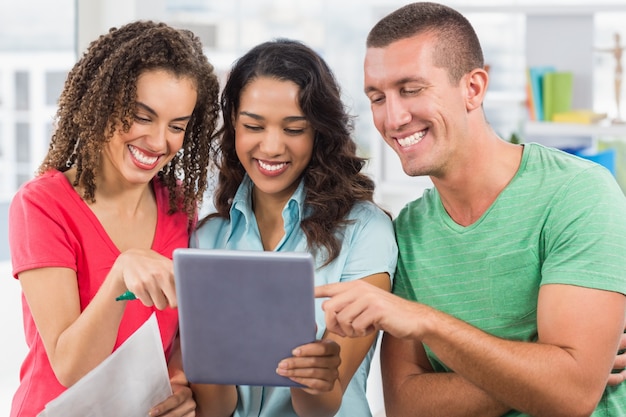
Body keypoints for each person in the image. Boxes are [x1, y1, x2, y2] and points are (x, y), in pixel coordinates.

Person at [315, 2, 626, 417]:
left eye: (411, 89)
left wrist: (426, 322)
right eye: (377, 97)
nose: (393, 117)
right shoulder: (407, 231)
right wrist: (543, 369)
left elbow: (570, 397)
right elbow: (407, 406)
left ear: (474, 88)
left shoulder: (577, 194)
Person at [8, 20, 220, 417]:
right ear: (102, 102)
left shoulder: (179, 206)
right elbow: (70, 366)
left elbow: (174, 336)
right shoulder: (42, 205)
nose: (159, 142)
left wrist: (177, 385)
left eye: (177, 126)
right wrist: (121, 273)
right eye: (142, 117)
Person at [190, 39, 398, 417]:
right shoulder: (206, 239)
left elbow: (322, 405)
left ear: (319, 132)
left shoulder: (365, 232)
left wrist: (317, 375)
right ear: (233, 123)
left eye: (294, 129)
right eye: (253, 125)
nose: (271, 147)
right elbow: (215, 408)